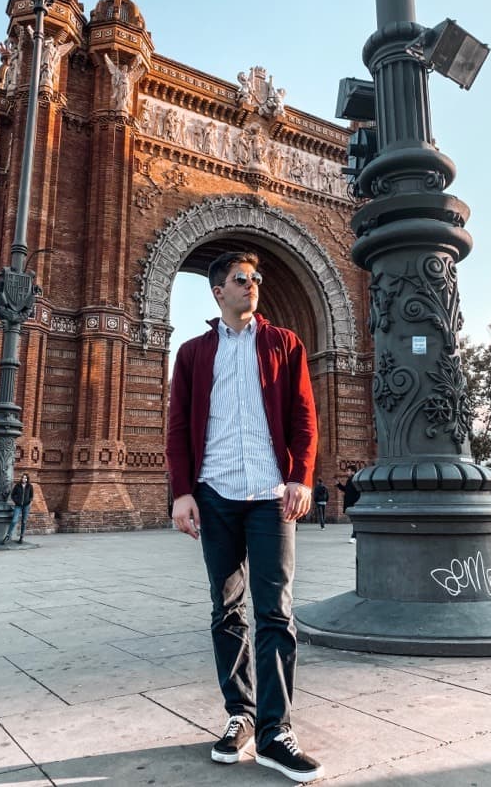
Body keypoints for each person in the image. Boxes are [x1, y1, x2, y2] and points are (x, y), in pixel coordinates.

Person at [166, 251, 324, 783]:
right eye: (241, 279)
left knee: (275, 611)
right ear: (218, 292)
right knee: (226, 608)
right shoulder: (192, 354)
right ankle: (241, 715)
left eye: (256, 278)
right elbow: (178, 429)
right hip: (214, 495)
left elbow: (304, 415)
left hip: (270, 493)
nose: (252, 285)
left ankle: (276, 729)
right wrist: (181, 493)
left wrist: (302, 476)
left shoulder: (285, 344)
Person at [3, 473, 34, 544]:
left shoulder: (30, 486)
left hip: (26, 506)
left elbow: (31, 496)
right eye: (23, 478)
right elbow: (13, 495)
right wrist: (16, 501)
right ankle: (8, 536)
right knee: (14, 520)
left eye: (25, 478)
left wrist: (29, 503)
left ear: (27, 479)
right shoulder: (17, 486)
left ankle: (21, 537)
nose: (24, 479)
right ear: (21, 478)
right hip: (18, 506)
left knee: (24, 521)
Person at [336, 465, 359, 543]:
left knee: (355, 521)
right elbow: (346, 490)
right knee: (354, 521)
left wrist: (356, 503)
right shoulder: (350, 480)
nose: (347, 472)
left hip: (354, 504)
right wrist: (338, 484)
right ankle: (356, 535)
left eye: (348, 471)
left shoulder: (355, 480)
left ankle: (354, 536)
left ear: (353, 472)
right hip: (350, 504)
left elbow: (357, 493)